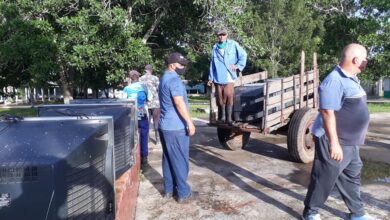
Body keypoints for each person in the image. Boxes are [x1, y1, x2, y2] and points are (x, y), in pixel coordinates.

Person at [303, 43, 374, 220]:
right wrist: (334, 144)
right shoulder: (333, 80)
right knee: (324, 177)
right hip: (334, 140)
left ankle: (357, 214)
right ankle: (310, 212)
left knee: (351, 176)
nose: (366, 62)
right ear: (356, 60)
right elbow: (327, 112)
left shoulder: (350, 78)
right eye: (365, 58)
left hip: (350, 141)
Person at [158, 52, 198, 203]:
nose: (183, 67)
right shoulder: (174, 79)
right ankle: (183, 193)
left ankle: (169, 190)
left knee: (168, 159)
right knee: (180, 160)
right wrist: (189, 122)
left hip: (164, 126)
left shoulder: (164, 78)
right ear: (173, 65)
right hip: (176, 126)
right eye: (181, 65)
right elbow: (179, 102)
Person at [207, 28, 247, 124]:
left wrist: (237, 66)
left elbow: (243, 55)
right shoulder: (215, 47)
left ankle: (229, 119)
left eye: (223, 34)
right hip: (217, 77)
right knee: (220, 98)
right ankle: (222, 118)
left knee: (229, 96)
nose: (222, 36)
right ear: (218, 36)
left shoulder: (233, 44)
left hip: (229, 76)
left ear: (227, 35)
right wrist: (210, 78)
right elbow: (212, 63)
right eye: (220, 35)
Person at [123, 70, 150, 168]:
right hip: (142, 113)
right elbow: (149, 98)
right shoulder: (144, 87)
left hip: (130, 115)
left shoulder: (127, 88)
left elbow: (123, 102)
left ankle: (131, 157)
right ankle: (144, 157)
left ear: (130, 78)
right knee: (144, 134)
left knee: (130, 136)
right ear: (138, 77)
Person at [140, 64, 160, 144]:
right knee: (156, 121)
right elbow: (159, 89)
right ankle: (157, 139)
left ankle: (146, 139)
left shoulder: (141, 79)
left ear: (145, 70)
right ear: (151, 70)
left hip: (145, 104)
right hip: (155, 103)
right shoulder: (155, 78)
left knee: (146, 122)